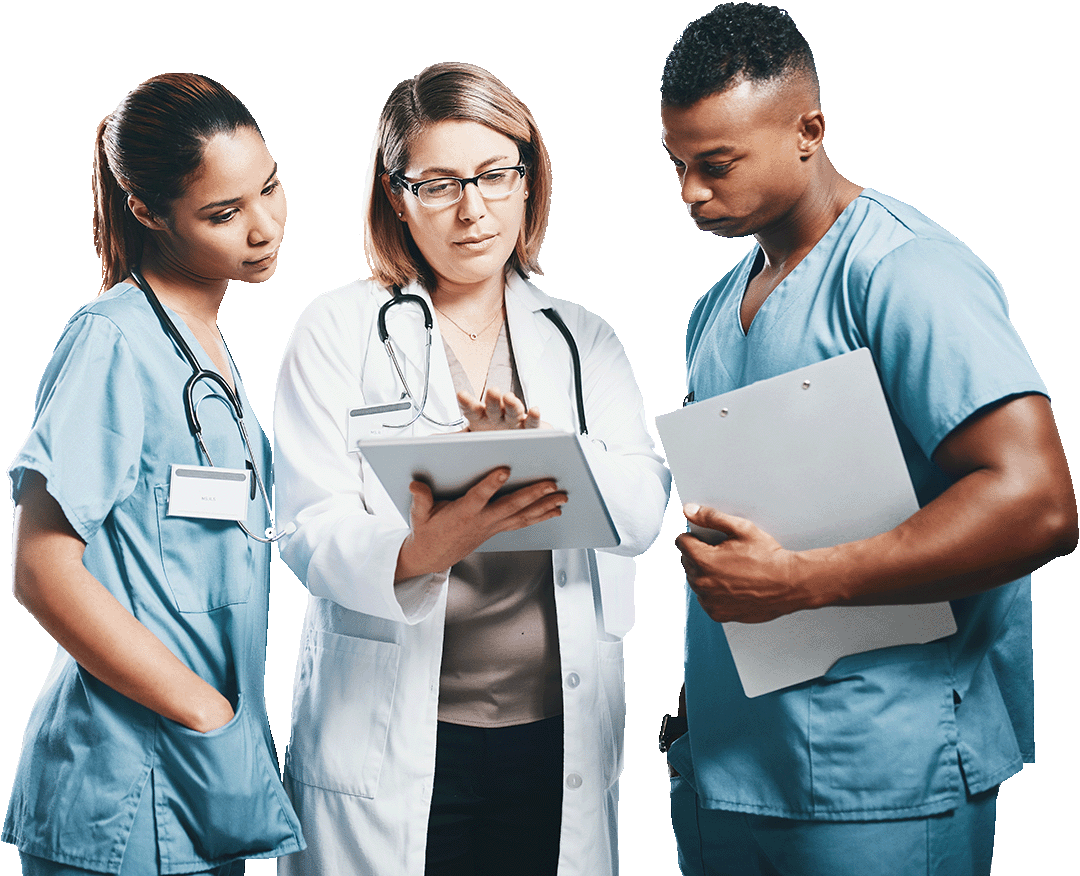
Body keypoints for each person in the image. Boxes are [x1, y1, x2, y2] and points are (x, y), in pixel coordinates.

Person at [658, 5, 1077, 876]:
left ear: (808, 132)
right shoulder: (714, 309)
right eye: (678, 165)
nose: (691, 192)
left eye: (717, 165)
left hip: (879, 776)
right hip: (729, 770)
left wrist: (801, 582)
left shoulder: (907, 274)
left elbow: (1037, 504)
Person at [273, 62, 669, 875]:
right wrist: (421, 550)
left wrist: (550, 451)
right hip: (392, 738)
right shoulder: (337, 329)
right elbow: (308, 525)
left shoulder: (583, 340)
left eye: (494, 175)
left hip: (553, 740)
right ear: (395, 196)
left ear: (529, 177)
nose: (473, 209)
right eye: (439, 184)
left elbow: (642, 509)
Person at [4, 74, 304, 875]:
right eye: (223, 213)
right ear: (146, 211)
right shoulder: (112, 340)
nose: (263, 226)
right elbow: (41, 569)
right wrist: (203, 713)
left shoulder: (200, 343)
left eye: (270, 187)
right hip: (127, 785)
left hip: (201, 784)